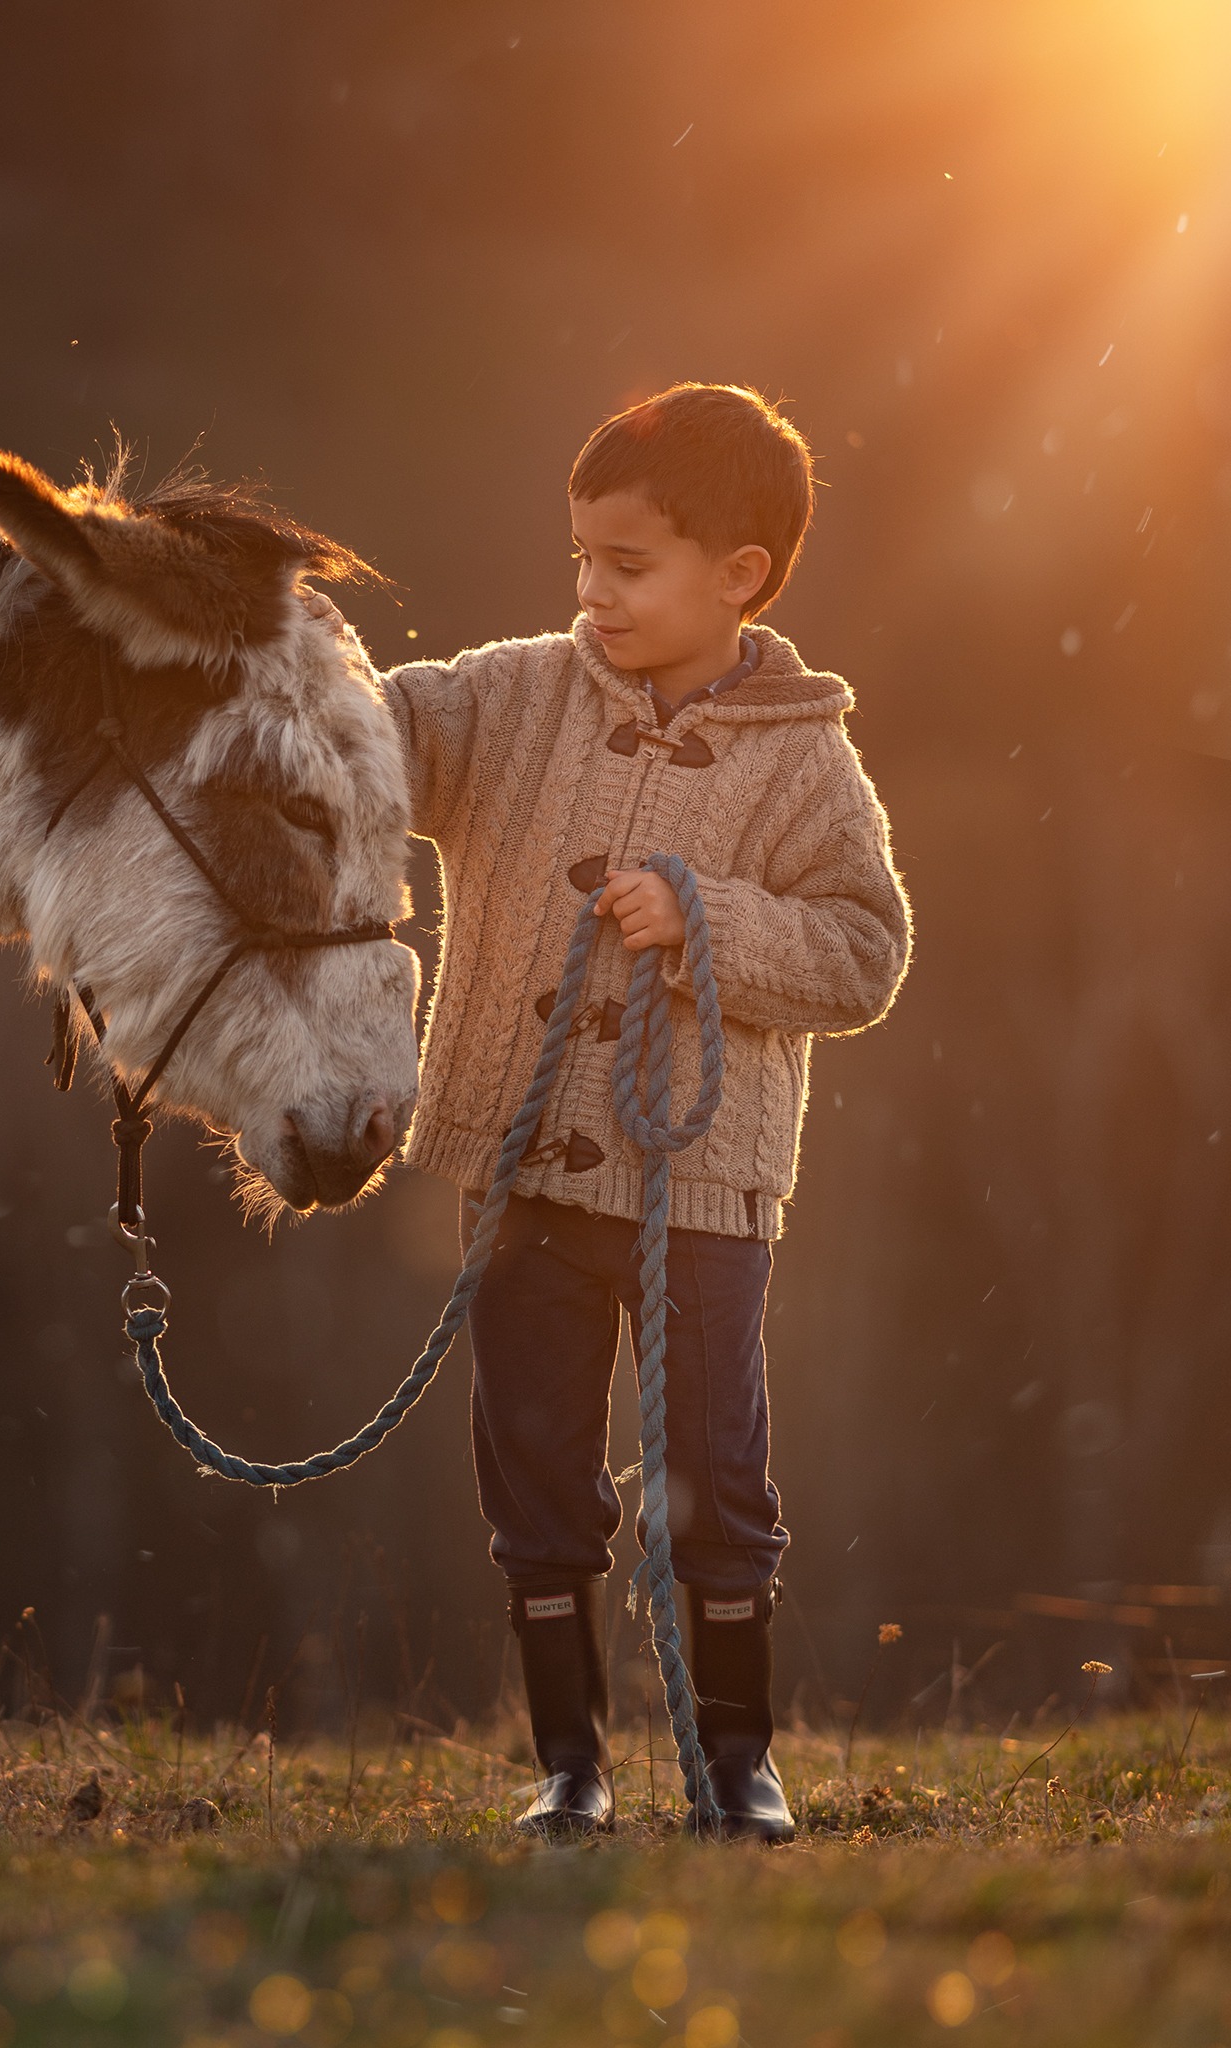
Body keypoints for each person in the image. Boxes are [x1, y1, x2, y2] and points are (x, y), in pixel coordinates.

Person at [347, 383, 911, 1839]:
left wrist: (710, 920)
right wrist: (277, 668)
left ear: (742, 577)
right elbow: (363, 732)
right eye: (580, 559)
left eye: (629, 564)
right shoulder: (513, 694)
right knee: (534, 1478)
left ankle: (736, 1766)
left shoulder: (805, 756)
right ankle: (570, 1769)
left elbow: (865, 951)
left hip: (699, 1191)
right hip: (517, 1174)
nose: (592, 592)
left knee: (716, 1483)